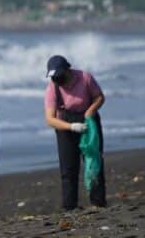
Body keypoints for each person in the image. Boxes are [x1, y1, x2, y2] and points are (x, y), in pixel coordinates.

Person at [43, 55, 107, 209]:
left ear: (68, 69)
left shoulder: (85, 78)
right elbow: (50, 119)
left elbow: (99, 97)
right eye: (54, 77)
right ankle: (69, 207)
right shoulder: (53, 87)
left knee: (94, 162)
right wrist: (71, 127)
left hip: (88, 122)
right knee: (68, 169)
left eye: (59, 76)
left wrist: (90, 111)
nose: (57, 80)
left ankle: (98, 203)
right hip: (65, 126)